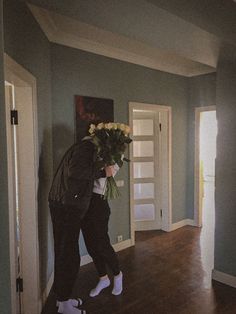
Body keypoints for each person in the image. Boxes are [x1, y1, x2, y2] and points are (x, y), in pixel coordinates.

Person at [48, 138, 114, 314]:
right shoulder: (87, 148)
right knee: (69, 255)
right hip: (66, 206)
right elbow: (76, 171)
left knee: (64, 252)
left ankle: (63, 299)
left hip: (62, 203)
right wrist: (103, 172)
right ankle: (63, 305)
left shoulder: (82, 147)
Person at [81, 164, 123, 298]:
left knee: (102, 245)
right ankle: (103, 278)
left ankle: (117, 275)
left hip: (98, 202)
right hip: (83, 202)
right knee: (91, 246)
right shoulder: (90, 151)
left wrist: (100, 170)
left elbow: (108, 172)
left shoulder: (114, 153)